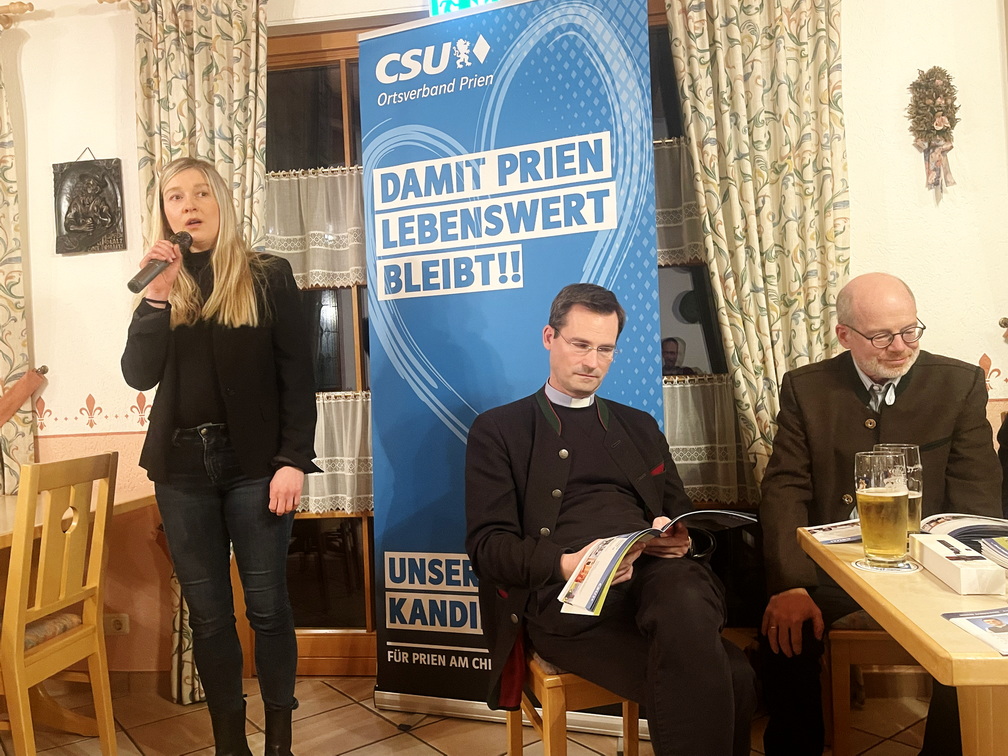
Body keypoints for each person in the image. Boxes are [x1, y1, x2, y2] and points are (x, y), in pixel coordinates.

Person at [465, 283, 756, 756]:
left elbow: (679, 511)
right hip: (570, 604)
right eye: (580, 345)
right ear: (549, 338)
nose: (592, 362)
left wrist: (681, 539)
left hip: (657, 584)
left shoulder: (638, 426)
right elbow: (488, 548)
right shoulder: (500, 430)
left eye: (605, 349)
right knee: (734, 673)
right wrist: (565, 564)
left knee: (684, 586)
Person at [121, 157, 320, 756]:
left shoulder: (266, 275)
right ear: (165, 213)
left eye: (201, 192)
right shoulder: (164, 283)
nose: (189, 205)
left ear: (221, 203)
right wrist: (155, 299)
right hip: (181, 470)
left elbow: (297, 375)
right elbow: (138, 374)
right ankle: (230, 745)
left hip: (254, 466)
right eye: (175, 196)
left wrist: (293, 459)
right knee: (208, 617)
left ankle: (279, 743)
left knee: (267, 608)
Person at [758, 272, 1002, 756]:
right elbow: (785, 488)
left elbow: (977, 498)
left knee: (973, 637)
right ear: (844, 335)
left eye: (910, 331)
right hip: (834, 571)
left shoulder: (959, 383)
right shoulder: (807, 388)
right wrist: (790, 583)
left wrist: (968, 579)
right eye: (882, 336)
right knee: (784, 629)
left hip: (930, 567)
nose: (900, 347)